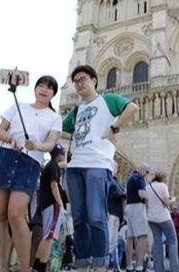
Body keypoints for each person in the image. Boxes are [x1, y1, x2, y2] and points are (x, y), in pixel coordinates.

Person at [62, 65, 139, 272]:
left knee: (96, 216)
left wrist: (114, 127)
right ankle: (82, 264)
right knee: (79, 219)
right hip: (75, 166)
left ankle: (100, 265)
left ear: (94, 80)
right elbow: (59, 128)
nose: (79, 83)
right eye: (76, 80)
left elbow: (132, 108)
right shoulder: (77, 110)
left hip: (98, 164)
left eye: (83, 79)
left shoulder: (109, 99)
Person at [0, 75, 62, 272]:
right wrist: (12, 138)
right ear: (35, 88)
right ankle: (0, 268)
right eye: (41, 85)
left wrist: (37, 145)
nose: (44, 89)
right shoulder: (18, 107)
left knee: (15, 213)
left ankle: (25, 268)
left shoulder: (54, 117)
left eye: (49, 87)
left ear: (53, 93)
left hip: (30, 163)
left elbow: (51, 143)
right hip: (6, 156)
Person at [33, 144, 67, 272]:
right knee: (49, 237)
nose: (64, 155)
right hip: (52, 205)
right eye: (63, 153)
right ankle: (42, 266)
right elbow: (54, 186)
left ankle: (37, 266)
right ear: (59, 154)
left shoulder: (48, 166)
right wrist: (61, 204)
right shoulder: (54, 166)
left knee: (46, 236)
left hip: (45, 205)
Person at [145, 171, 179, 272]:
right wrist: (173, 199)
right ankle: (174, 268)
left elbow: (146, 204)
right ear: (163, 179)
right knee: (172, 241)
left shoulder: (147, 187)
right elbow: (167, 202)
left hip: (151, 218)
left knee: (157, 241)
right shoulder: (163, 186)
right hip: (163, 217)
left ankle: (158, 269)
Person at [125, 164, 150, 272]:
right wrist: (148, 200)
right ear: (142, 169)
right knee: (142, 236)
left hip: (129, 207)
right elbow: (142, 194)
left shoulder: (130, 178)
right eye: (147, 172)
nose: (146, 174)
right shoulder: (140, 178)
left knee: (130, 238)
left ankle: (129, 265)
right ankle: (139, 266)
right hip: (138, 207)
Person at [107, 162, 126, 272]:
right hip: (111, 212)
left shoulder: (115, 180)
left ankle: (115, 265)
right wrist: (124, 194)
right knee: (109, 240)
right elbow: (119, 194)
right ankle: (107, 264)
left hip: (117, 214)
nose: (117, 168)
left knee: (114, 241)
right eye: (115, 166)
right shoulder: (108, 179)